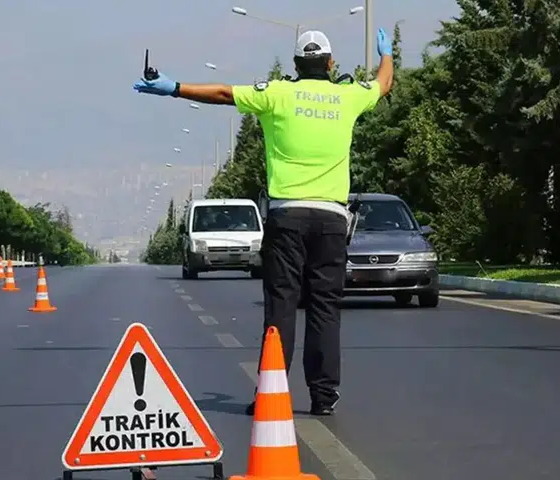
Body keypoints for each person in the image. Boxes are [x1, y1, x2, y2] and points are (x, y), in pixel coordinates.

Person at [133, 29, 394, 415]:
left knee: (281, 306)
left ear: (294, 65)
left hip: (286, 217)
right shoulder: (348, 96)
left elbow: (223, 94)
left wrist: (173, 87)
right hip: (331, 220)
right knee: (325, 308)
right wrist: (385, 55)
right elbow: (383, 84)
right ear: (330, 63)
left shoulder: (276, 94)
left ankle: (272, 391)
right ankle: (323, 397)